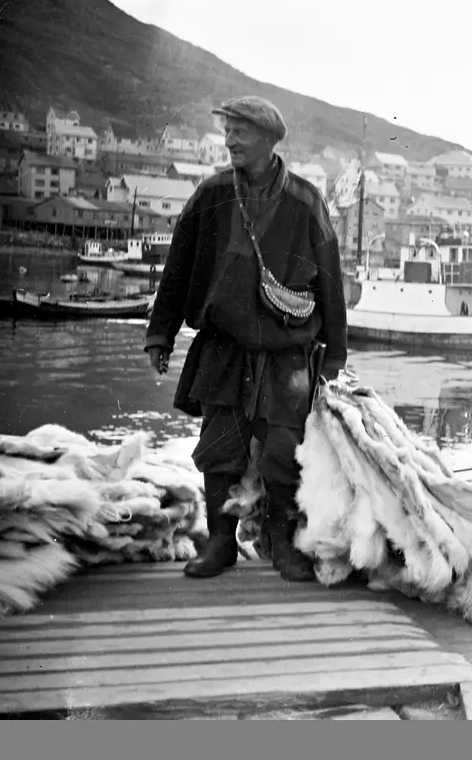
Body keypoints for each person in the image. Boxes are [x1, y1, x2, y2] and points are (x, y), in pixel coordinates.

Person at [144, 96, 348, 582]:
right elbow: (177, 269)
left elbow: (331, 281)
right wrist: (160, 332)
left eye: (241, 132)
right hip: (223, 348)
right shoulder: (211, 194)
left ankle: (282, 544)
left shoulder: (305, 200)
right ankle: (220, 544)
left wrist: (335, 353)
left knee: (282, 448)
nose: (230, 140)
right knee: (219, 448)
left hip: (286, 353)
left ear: (269, 139)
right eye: (228, 130)